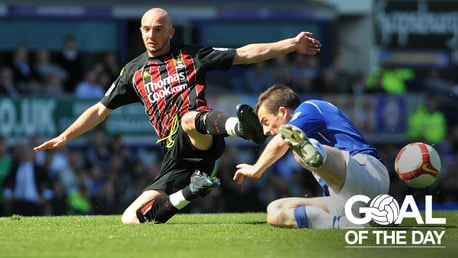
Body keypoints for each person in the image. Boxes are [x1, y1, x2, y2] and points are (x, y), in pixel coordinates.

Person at [33, 8, 322, 224]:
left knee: (186, 119)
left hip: (201, 136)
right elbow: (99, 109)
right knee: (131, 218)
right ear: (140, 31)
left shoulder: (192, 55)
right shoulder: (133, 72)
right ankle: (192, 191)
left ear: (171, 32)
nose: (151, 35)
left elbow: (244, 53)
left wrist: (291, 45)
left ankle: (243, 130)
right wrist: (65, 136)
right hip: (175, 158)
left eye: (158, 29)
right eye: (146, 29)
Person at [233, 85, 389, 229]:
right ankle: (348, 224)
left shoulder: (311, 106)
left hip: (368, 173)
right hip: (343, 198)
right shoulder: (303, 127)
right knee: (275, 211)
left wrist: (256, 169)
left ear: (282, 111)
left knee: (299, 146)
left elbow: (281, 143)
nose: (265, 131)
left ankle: (365, 212)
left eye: (265, 121)